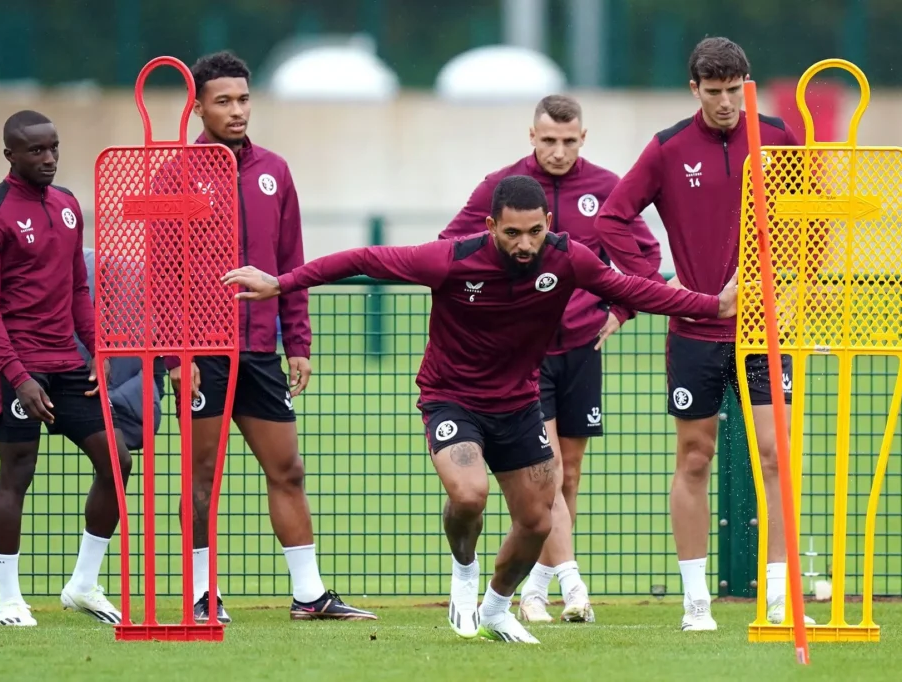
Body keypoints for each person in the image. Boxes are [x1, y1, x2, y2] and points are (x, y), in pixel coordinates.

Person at [222, 175, 737, 644]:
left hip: (518, 403)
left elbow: (634, 289)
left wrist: (712, 305)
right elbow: (362, 259)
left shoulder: (568, 258)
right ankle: (464, 573)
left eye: (534, 232)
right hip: (451, 398)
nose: (525, 244)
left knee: (537, 520)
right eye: (512, 233)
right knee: (469, 494)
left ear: (548, 225)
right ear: (491, 226)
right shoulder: (450, 259)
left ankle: (495, 607)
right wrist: (281, 283)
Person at [593, 37, 809, 631]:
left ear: (746, 83)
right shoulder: (667, 149)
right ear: (694, 89)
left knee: (776, 458)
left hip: (767, 331)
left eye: (732, 91)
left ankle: (779, 602)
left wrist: (791, 283)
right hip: (695, 332)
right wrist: (653, 285)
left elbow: (809, 219)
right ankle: (695, 604)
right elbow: (612, 216)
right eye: (712, 93)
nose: (724, 104)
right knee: (695, 458)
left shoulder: (779, 137)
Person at [163, 51, 376, 623]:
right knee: (202, 476)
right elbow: (160, 272)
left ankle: (309, 595)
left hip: (259, 352)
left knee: (288, 470)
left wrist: (298, 342)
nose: (237, 111)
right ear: (199, 106)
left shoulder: (273, 171)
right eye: (223, 101)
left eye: (244, 99)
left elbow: (291, 263)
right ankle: (201, 595)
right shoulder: (174, 174)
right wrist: (172, 357)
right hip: (200, 352)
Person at [440, 94, 662, 623]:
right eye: (548, 141)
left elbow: (646, 256)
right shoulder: (503, 188)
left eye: (568, 141)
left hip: (582, 347)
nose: (558, 151)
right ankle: (571, 583)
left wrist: (622, 307)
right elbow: (451, 246)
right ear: (531, 137)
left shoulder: (607, 188)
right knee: (551, 469)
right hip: (524, 354)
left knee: (571, 473)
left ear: (583, 138)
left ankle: (536, 589)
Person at [0, 110, 131, 627]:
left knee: (118, 463)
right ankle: (10, 600)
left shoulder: (66, 206)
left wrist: (97, 352)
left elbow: (78, 290)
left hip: (68, 364)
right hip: (15, 368)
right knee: (17, 475)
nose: (50, 159)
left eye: (54, 148)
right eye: (37, 151)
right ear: (10, 154)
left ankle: (82, 586)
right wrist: (19, 376)